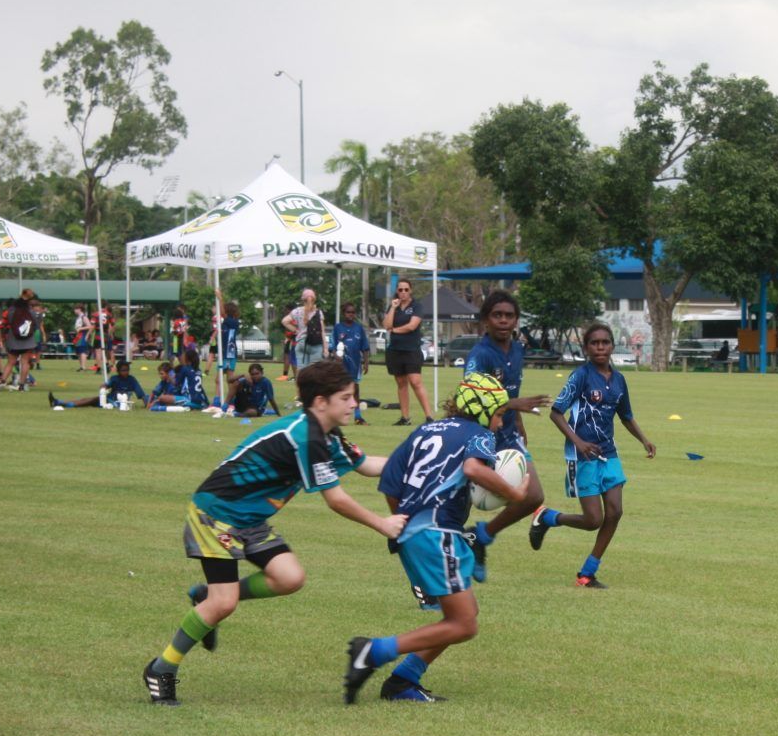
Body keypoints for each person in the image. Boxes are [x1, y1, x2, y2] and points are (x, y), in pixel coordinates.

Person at [143, 359, 406, 705]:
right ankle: (162, 668)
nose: (355, 404)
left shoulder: (326, 434)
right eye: (346, 398)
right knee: (224, 604)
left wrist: (418, 456)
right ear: (321, 402)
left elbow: (368, 465)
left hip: (249, 519)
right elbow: (337, 500)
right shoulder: (305, 436)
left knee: (289, 577)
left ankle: (205, 596)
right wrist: (384, 525)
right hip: (216, 514)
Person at [343, 372, 525, 704]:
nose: (500, 424)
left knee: (463, 613)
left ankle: (403, 681)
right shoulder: (479, 433)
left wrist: (404, 524)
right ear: (483, 410)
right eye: (499, 414)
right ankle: (373, 651)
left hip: (417, 531)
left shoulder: (423, 430)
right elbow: (473, 469)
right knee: (464, 624)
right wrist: (515, 493)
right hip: (436, 532)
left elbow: (391, 482)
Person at [528, 321, 656, 588]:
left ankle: (587, 572)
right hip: (582, 457)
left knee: (615, 511)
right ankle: (548, 517)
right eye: (594, 343)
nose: (600, 347)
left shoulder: (619, 379)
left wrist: (644, 440)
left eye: (605, 342)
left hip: (608, 453)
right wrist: (579, 442)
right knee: (592, 520)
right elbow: (556, 413)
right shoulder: (581, 376)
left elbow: (626, 416)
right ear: (586, 348)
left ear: (611, 346)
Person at [458, 289, 551, 582]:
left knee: (533, 495)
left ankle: (481, 537)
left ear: (516, 320)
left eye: (509, 315)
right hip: (478, 435)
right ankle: (442, 565)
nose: (503, 320)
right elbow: (471, 398)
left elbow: (510, 392)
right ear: (486, 319)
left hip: (509, 433)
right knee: (457, 509)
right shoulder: (481, 354)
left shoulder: (518, 349)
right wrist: (515, 404)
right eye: (497, 315)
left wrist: (518, 419)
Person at [383, 279, 429, 425]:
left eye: (406, 289)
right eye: (400, 290)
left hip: (412, 350)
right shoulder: (393, 306)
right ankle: (405, 417)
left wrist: (395, 330)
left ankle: (429, 416)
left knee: (415, 382)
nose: (403, 292)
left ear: (411, 290)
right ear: (397, 291)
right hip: (395, 350)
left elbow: (412, 326)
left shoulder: (417, 306)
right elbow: (386, 325)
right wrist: (392, 308)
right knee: (401, 383)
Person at [331, 302, 371, 425]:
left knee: (355, 389)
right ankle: (336, 414)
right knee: (340, 389)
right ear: (344, 313)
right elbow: (332, 346)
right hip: (341, 365)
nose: (351, 314)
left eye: (353, 312)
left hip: (355, 364)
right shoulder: (338, 328)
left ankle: (358, 417)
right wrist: (335, 355)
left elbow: (364, 347)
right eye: (348, 312)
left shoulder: (358, 328)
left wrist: (366, 362)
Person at [49, 359, 147, 408]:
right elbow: (106, 385)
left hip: (115, 403)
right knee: (87, 400)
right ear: (118, 371)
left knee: (89, 400)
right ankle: (60, 402)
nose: (126, 372)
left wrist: (148, 405)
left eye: (127, 370)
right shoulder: (114, 378)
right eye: (123, 370)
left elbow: (141, 394)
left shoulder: (132, 379)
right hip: (109, 399)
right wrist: (103, 386)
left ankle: (60, 403)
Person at [2, 290, 38, 389]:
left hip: (13, 338)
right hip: (28, 340)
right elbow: (35, 323)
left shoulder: (12, 309)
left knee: (10, 362)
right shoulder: (30, 310)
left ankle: (2, 381)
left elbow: (9, 321)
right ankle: (22, 384)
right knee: (25, 362)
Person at [283, 289, 327, 369]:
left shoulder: (297, 311)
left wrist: (296, 330)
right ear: (314, 299)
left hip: (301, 343)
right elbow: (322, 332)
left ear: (303, 299)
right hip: (315, 344)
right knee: (314, 371)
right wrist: (325, 349)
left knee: (302, 372)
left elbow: (284, 321)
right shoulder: (318, 312)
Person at [217, 297, 241, 378]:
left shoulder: (232, 322)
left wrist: (220, 298)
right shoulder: (226, 322)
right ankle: (219, 391)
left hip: (229, 352)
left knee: (229, 378)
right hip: (224, 351)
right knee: (219, 379)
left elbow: (222, 313)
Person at [73, 305, 94, 373]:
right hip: (78, 335)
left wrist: (81, 329)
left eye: (76, 309)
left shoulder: (84, 317)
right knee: (78, 351)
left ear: (80, 309)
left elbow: (90, 326)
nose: (74, 311)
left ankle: (84, 367)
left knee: (82, 351)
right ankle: (81, 366)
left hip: (83, 335)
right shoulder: (78, 317)